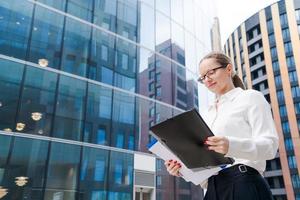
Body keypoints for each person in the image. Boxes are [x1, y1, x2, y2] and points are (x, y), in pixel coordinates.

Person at [164, 52, 279, 200]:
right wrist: (183, 170)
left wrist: (231, 145)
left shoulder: (250, 97)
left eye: (211, 72)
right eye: (203, 77)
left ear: (229, 69)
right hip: (213, 188)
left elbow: (270, 146)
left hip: (243, 183)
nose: (207, 79)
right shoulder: (206, 113)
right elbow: (205, 164)